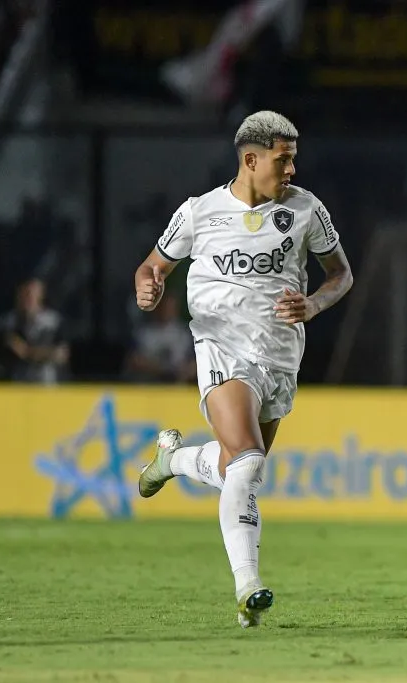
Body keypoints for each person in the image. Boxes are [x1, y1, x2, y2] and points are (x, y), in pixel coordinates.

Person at [133, 111, 353, 628]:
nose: (293, 169)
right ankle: (247, 586)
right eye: (284, 159)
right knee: (250, 460)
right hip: (221, 349)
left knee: (237, 467)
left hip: (280, 357)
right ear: (250, 160)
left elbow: (341, 274)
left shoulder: (305, 210)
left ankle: (173, 461)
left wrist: (315, 306)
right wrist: (147, 285)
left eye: (294, 158)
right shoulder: (198, 213)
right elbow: (153, 266)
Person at [0, 278, 70, 384]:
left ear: (41, 295)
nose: (28, 298)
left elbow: (62, 355)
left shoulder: (53, 322)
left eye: (32, 294)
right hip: (13, 386)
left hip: (44, 385)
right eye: (24, 294)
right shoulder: (5, 323)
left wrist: (27, 352)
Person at [123, 294, 196, 384]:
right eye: (164, 306)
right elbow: (133, 360)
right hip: (148, 385)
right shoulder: (143, 332)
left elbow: (196, 362)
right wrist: (161, 370)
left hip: (178, 386)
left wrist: (185, 370)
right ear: (156, 307)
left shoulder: (185, 333)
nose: (167, 310)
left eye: (170, 307)